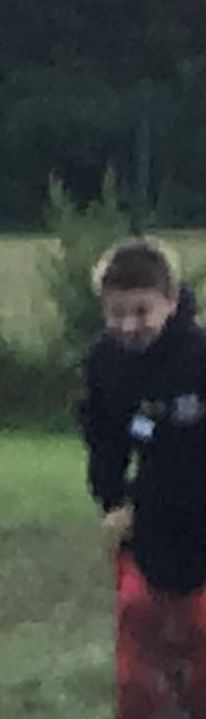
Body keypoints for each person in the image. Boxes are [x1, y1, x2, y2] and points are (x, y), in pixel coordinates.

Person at [83, 236, 206, 597]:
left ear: (171, 301)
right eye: (117, 313)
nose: (128, 326)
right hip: (151, 522)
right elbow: (105, 439)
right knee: (144, 615)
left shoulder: (199, 358)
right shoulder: (104, 364)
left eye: (141, 312)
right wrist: (114, 502)